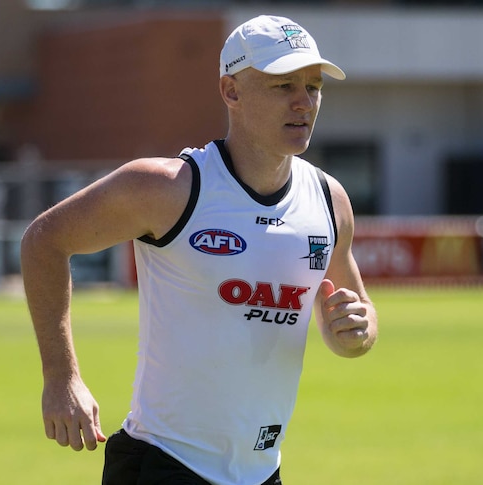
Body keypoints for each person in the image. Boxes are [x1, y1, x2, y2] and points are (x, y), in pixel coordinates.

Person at [21, 14, 378, 485]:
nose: (303, 102)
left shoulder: (330, 202)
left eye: (313, 87)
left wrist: (355, 329)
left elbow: (354, 322)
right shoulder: (166, 188)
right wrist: (61, 378)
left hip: (261, 473)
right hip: (164, 465)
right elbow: (44, 241)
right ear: (231, 91)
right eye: (282, 86)